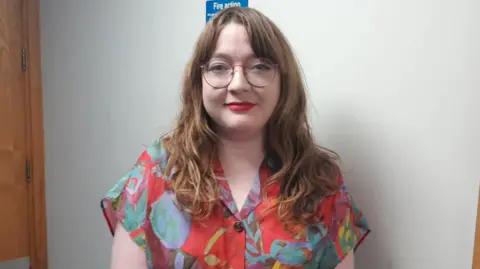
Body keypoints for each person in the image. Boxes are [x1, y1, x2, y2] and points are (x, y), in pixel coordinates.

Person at [101, 6, 370, 269]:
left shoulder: (321, 181)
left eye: (260, 67)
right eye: (219, 67)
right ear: (199, 80)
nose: (239, 84)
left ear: (283, 81)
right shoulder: (156, 173)